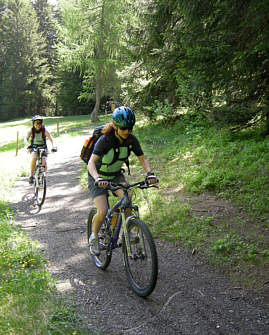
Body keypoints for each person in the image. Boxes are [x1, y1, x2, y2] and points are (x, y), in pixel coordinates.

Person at [88, 106, 158, 256]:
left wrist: (150, 174)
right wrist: (97, 178)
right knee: (102, 210)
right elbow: (91, 163)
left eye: (130, 128)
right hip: (98, 176)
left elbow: (142, 158)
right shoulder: (105, 140)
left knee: (127, 198)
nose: (128, 131)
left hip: (115, 176)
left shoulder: (131, 140)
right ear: (115, 126)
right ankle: (93, 237)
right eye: (124, 128)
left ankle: (130, 232)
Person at [24, 115, 56, 184]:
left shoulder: (44, 130)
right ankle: (32, 176)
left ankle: (43, 176)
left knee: (44, 161)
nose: (38, 125)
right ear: (33, 124)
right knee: (34, 158)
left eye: (40, 123)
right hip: (34, 147)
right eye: (36, 123)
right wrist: (27, 145)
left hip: (43, 147)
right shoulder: (31, 130)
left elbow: (51, 138)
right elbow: (25, 139)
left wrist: (54, 146)